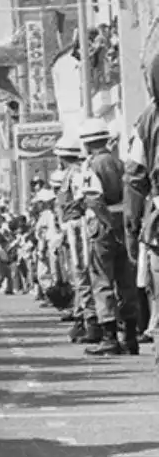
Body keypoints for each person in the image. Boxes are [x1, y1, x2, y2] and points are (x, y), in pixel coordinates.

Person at [78, 119, 138, 356]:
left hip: (103, 228)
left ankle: (110, 337)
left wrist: (108, 225)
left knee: (102, 281)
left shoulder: (91, 166)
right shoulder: (119, 162)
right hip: (124, 224)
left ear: (87, 143)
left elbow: (93, 199)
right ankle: (130, 337)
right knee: (126, 281)